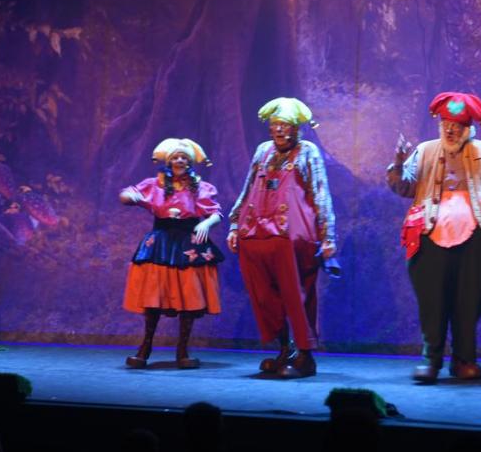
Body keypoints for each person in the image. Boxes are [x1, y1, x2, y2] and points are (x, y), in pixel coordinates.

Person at [387, 92, 481, 383]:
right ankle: (431, 359)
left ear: (468, 128)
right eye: (446, 124)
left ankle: (463, 359)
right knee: (432, 299)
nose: (450, 130)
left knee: (468, 300)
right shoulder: (425, 151)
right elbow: (403, 187)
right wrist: (397, 164)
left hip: (478, 236)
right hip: (431, 233)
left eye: (456, 125)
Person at [227, 97, 336, 379]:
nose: (279, 130)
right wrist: (234, 223)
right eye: (275, 125)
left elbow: (320, 191)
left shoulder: (307, 151)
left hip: (293, 237)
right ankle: (285, 349)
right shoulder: (263, 151)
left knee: (296, 294)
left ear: (297, 128)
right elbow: (248, 187)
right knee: (265, 295)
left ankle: (305, 355)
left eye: (285, 125)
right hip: (258, 233)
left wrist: (327, 236)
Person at [120, 138, 223, 369]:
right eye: (175, 157)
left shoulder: (200, 186)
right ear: (168, 161)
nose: (179, 161)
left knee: (189, 296)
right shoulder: (155, 183)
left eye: (184, 158)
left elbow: (216, 213)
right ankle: (145, 347)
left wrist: (206, 223)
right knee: (154, 295)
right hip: (162, 242)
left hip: (188, 240)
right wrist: (131, 197)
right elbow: (128, 194)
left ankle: (182, 350)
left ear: (190, 162)